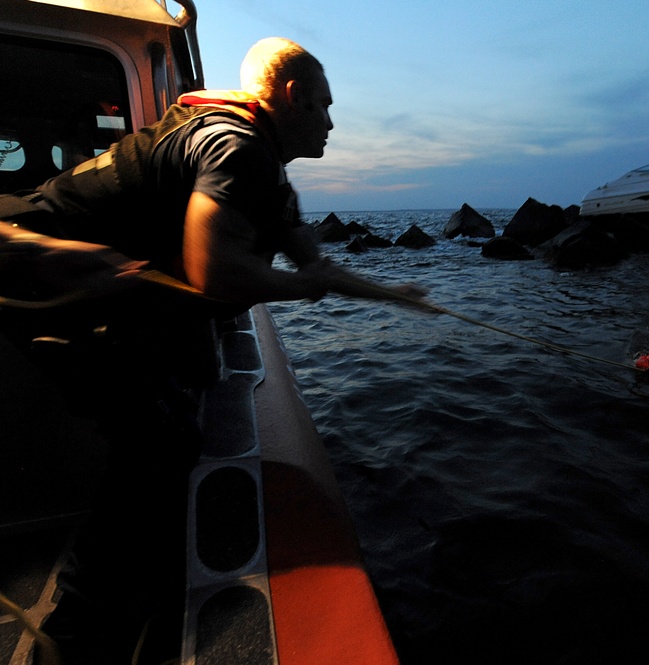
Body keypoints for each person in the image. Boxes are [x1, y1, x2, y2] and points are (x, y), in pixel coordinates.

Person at [1, 36, 428, 662]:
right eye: (326, 106)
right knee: (159, 438)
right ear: (292, 96)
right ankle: (77, 631)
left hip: (93, 283)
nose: (333, 123)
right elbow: (213, 275)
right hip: (34, 267)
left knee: (192, 380)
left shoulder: (267, 167)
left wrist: (391, 293)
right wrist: (299, 289)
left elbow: (316, 264)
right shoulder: (235, 146)